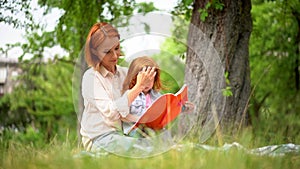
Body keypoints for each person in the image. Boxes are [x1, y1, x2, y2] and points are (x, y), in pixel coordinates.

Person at [80, 22, 173, 156]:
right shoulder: (91, 78)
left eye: (116, 48)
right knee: (141, 150)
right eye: (107, 52)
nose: (114, 56)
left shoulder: (125, 73)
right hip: (101, 137)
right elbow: (112, 114)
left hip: (127, 133)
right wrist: (138, 87)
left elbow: (147, 98)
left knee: (163, 139)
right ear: (95, 52)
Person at [122, 56, 164, 137]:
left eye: (150, 79)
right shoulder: (130, 94)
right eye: (145, 79)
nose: (147, 83)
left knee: (163, 133)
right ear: (134, 78)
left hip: (153, 129)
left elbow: (167, 109)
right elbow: (123, 115)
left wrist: (182, 107)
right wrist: (141, 120)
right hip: (134, 130)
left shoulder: (156, 95)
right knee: (142, 134)